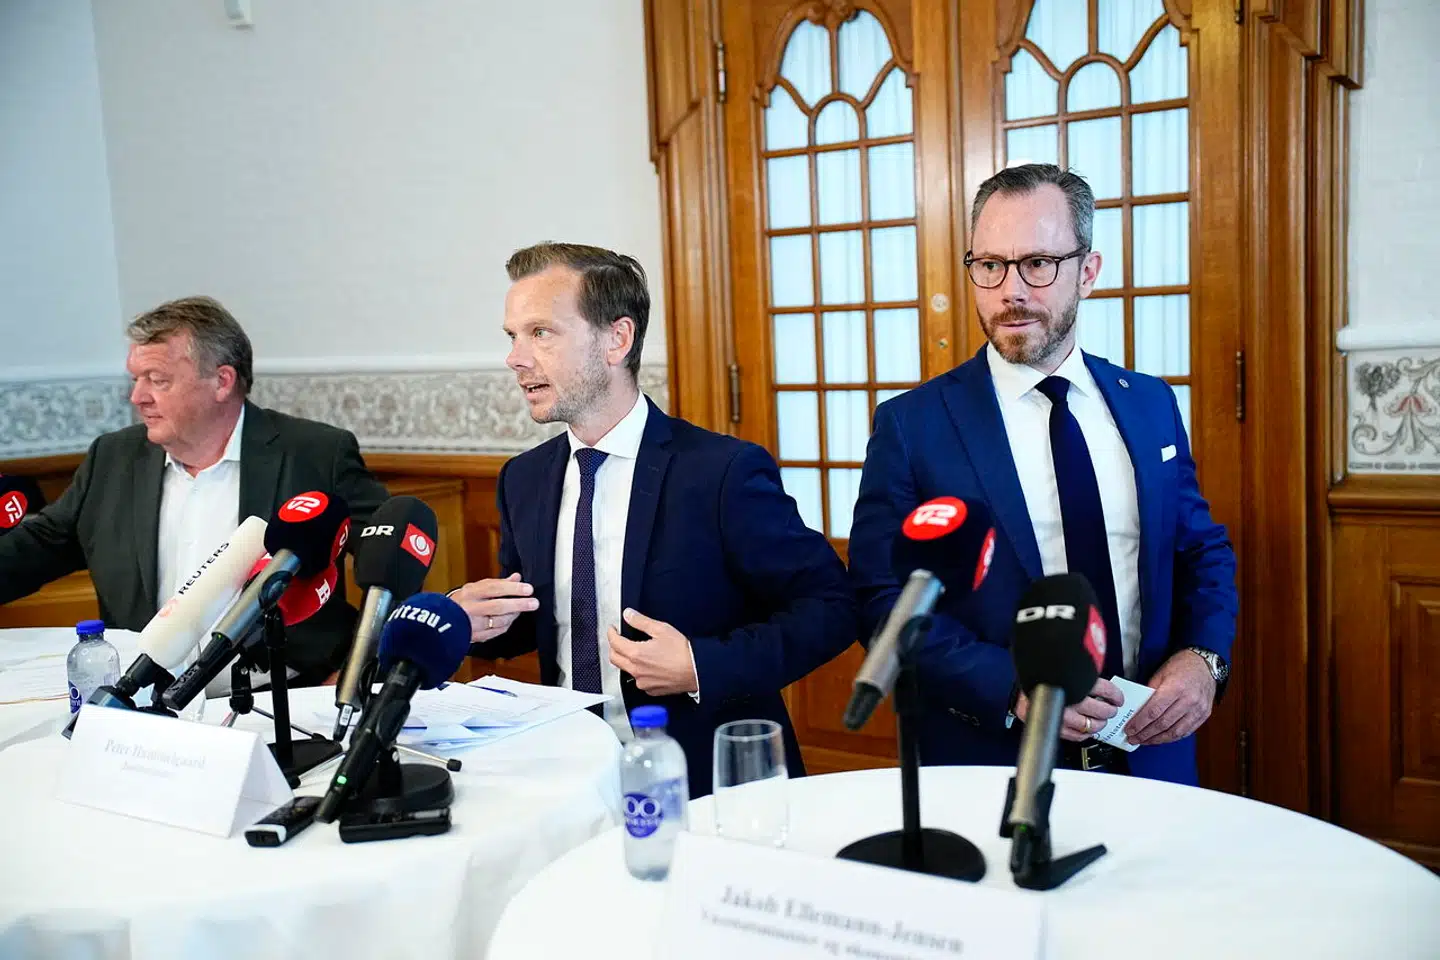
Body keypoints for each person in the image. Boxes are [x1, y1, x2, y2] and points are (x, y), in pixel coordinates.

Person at [848, 164, 1237, 784]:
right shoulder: (911, 426)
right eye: (990, 265)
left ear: (1088, 271)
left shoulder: (1150, 404)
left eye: (1037, 263)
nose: (1010, 290)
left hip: (1151, 750)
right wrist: (1011, 689)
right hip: (989, 760)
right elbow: (881, 601)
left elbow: (1201, 550)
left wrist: (1205, 658)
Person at [451, 242, 856, 796]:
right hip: (571, 776)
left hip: (705, 777)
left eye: (541, 333)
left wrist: (700, 665)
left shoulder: (722, 472)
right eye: (512, 337)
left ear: (617, 339)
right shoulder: (522, 479)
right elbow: (540, 616)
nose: (516, 358)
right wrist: (471, 620)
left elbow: (833, 605)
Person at [0, 296, 390, 683]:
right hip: (147, 700)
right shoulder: (114, 458)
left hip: (288, 699)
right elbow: (39, 545)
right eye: (135, 379)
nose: (137, 397)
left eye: (158, 380)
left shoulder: (316, 454)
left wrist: (357, 671)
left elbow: (394, 557)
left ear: (222, 381)